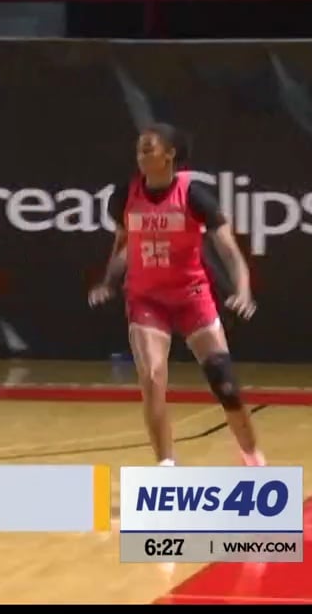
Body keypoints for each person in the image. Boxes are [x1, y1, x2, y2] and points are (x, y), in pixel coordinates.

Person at [87, 123, 265, 467]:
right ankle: (166, 467)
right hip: (146, 299)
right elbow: (123, 245)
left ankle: (251, 456)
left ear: (169, 154)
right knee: (152, 377)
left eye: (149, 148)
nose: (141, 155)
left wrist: (242, 289)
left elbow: (229, 250)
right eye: (139, 149)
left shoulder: (194, 194)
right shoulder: (125, 195)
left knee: (224, 383)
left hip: (191, 297)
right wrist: (108, 280)